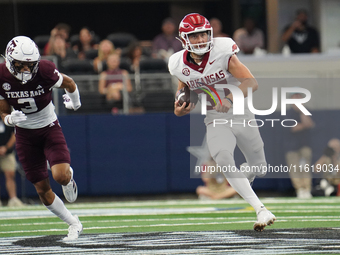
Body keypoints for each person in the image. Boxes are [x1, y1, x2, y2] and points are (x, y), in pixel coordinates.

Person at [168, 13, 276, 231]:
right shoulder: (178, 64)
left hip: (241, 112)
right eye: (194, 36)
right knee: (223, 156)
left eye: (203, 34)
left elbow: (251, 82)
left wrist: (229, 98)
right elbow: (185, 93)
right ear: (184, 39)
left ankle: (242, 182)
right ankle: (261, 209)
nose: (200, 40)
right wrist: (180, 108)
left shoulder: (223, 50)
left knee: (259, 166)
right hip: (215, 117)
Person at [0, 36, 82, 240]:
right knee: (42, 190)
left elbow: (70, 83)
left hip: (48, 127)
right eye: (22, 65)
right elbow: (2, 111)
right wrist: (9, 119)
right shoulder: (1, 76)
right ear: (10, 61)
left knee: (60, 176)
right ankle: (73, 222)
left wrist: (75, 103)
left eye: (31, 65)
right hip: (25, 135)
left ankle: (68, 177)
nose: (27, 70)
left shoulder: (44, 70)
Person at [284, 92, 315, 199]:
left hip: (305, 145)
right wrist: (303, 125)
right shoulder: (287, 113)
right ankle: (300, 189)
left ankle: (307, 189)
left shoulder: (307, 111)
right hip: (291, 146)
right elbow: (292, 128)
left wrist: (302, 111)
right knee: (294, 168)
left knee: (305, 167)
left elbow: (309, 124)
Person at [0, 119, 24, 207]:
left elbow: (14, 134)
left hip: (7, 153)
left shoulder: (7, 118)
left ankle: (13, 199)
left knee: (10, 174)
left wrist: (6, 148)